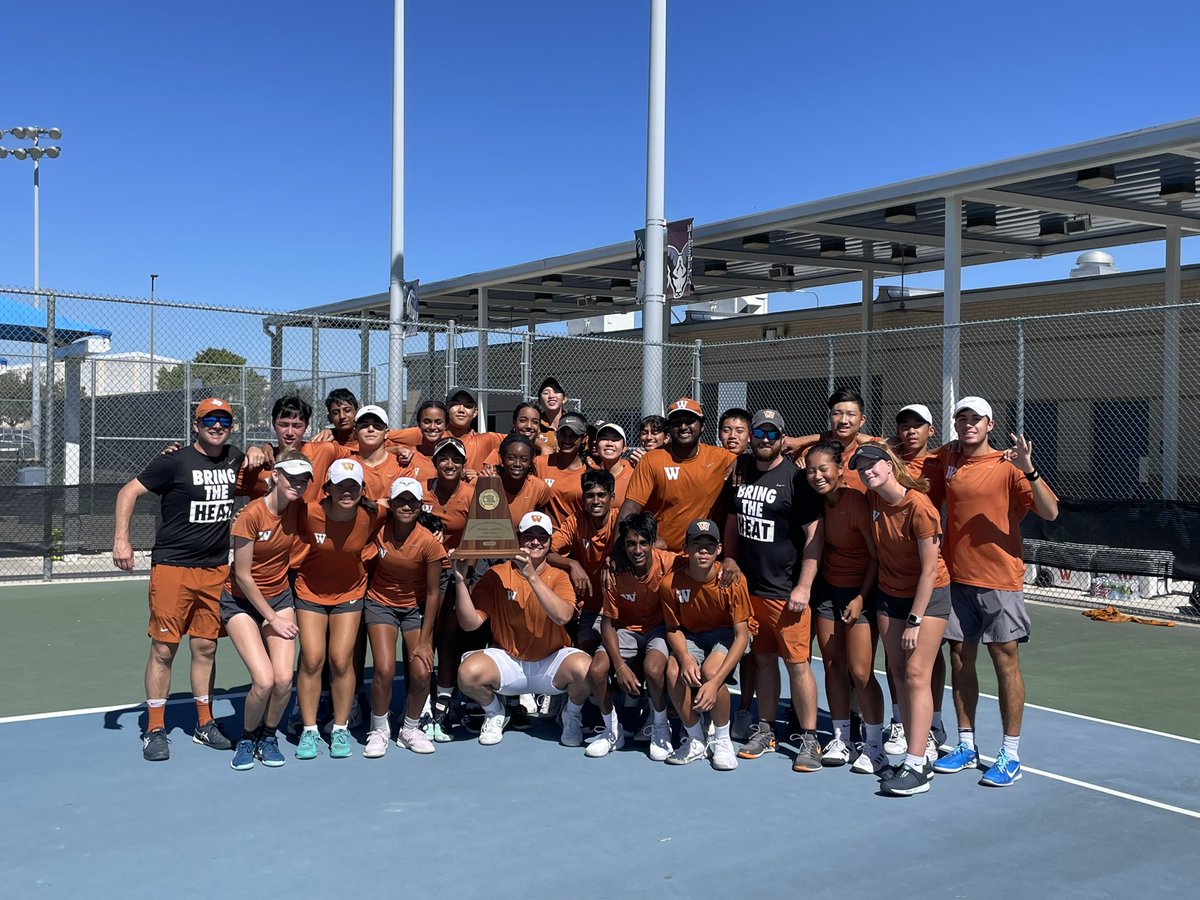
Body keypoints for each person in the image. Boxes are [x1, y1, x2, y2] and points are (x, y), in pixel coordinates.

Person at [113, 397, 251, 761]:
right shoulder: (173, 460)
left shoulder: (235, 457)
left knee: (205, 647)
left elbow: (269, 463)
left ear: (232, 425)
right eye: (209, 419)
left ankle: (204, 724)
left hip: (216, 569)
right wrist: (121, 540)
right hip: (173, 567)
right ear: (196, 424)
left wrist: (260, 449)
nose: (217, 425)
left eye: (224, 419)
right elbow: (128, 492)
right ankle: (155, 728)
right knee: (163, 648)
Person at [931, 397, 1059, 788]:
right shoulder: (949, 457)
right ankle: (966, 745)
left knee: (1005, 662)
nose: (968, 425)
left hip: (1000, 581)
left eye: (975, 419)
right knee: (959, 659)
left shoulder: (1009, 466)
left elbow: (1051, 512)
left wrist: (1030, 470)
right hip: (957, 580)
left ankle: (1010, 753)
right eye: (961, 419)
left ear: (990, 425)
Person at [721, 409, 826, 772]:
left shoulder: (796, 480)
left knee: (798, 665)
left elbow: (815, 536)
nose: (764, 440)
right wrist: (730, 559)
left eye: (772, 434)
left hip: (786, 592)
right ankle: (766, 729)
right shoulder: (741, 471)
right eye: (759, 433)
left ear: (783, 438)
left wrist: (804, 585)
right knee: (763, 661)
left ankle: (810, 738)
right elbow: (733, 521)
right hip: (750, 591)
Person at [850, 441, 951, 796]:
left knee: (915, 673)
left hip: (927, 597)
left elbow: (928, 571)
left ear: (889, 465)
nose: (867, 472)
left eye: (872, 466)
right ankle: (914, 752)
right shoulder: (874, 499)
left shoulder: (919, 507)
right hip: (889, 594)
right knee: (896, 672)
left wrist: (914, 619)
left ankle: (918, 763)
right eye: (861, 468)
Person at [453, 512, 592, 746]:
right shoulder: (495, 574)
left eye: (542, 537)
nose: (535, 542)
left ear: (549, 542)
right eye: (529, 536)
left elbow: (563, 616)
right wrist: (459, 580)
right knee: (467, 674)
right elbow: (470, 623)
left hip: (550, 663)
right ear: (518, 539)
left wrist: (531, 577)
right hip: (510, 662)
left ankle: (572, 715)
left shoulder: (559, 577)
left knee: (587, 670)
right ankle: (495, 712)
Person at [292, 459, 386, 760]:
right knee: (312, 659)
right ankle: (309, 730)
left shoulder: (371, 514)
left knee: (341, 660)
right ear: (327, 488)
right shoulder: (308, 512)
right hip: (310, 593)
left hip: (350, 593)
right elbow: (274, 507)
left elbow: (404, 510)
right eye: (340, 486)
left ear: (362, 490)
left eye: (353, 486)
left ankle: (341, 727)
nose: (347, 492)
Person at [804, 439, 888, 774]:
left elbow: (875, 556)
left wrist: (861, 598)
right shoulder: (815, 504)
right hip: (827, 593)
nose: (817, 475)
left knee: (860, 672)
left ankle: (875, 746)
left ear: (840, 470)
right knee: (833, 665)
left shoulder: (857, 504)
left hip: (860, 595)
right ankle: (841, 738)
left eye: (823, 469)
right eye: (811, 470)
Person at [224, 450, 311, 770]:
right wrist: (272, 618)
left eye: (304, 480)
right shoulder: (250, 515)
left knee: (283, 679)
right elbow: (243, 575)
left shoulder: (298, 507)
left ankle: (268, 735)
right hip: (241, 601)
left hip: (278, 598)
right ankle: (247, 738)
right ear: (275, 476)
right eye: (292, 477)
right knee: (263, 680)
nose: (298, 484)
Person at [363, 477, 447, 758]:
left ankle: (410, 728)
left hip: (415, 609)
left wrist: (425, 639)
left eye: (413, 501)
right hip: (379, 604)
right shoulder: (379, 528)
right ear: (392, 502)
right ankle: (379, 729)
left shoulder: (429, 543)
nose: (407, 506)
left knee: (422, 670)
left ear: (421, 506)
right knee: (385, 669)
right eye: (401, 500)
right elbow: (365, 506)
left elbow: (434, 592)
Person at [661, 519, 752, 771]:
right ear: (685, 548)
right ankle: (695, 739)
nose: (703, 551)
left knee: (712, 672)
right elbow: (673, 628)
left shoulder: (732, 580)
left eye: (709, 546)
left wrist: (713, 683)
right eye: (697, 545)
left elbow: (742, 635)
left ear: (719, 549)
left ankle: (722, 740)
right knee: (673, 670)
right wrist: (685, 657)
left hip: (728, 635)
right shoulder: (670, 584)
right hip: (694, 635)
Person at [882, 402, 947, 755]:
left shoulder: (939, 463)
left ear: (931, 430)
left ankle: (932, 723)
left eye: (917, 425)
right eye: (904, 425)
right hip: (892, 577)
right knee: (898, 663)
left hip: (930, 571)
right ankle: (900, 721)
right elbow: (852, 436)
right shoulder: (885, 460)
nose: (910, 431)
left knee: (927, 662)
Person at [585, 512, 674, 760]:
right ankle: (612, 730)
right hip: (625, 629)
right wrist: (620, 666)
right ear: (622, 545)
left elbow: (702, 561)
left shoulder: (668, 562)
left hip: (657, 629)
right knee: (597, 671)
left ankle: (659, 726)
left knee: (654, 669)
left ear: (653, 542)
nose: (637, 550)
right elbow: (608, 623)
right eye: (630, 544)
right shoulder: (613, 571)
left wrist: (728, 564)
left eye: (643, 543)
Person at [619, 398, 736, 551]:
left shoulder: (722, 458)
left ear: (702, 427)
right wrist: (618, 549)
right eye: (676, 422)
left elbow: (748, 462)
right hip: (661, 555)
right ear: (669, 429)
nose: (683, 426)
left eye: (689, 421)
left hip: (702, 556)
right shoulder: (651, 460)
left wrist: (743, 461)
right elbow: (630, 509)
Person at [422, 436, 476, 741]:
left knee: (448, 639)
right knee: (423, 638)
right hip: (422, 576)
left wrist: (460, 561)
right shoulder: (420, 492)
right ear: (434, 461)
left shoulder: (472, 495)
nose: (449, 464)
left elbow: (481, 537)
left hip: (456, 575)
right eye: (444, 458)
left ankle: (443, 702)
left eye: (456, 459)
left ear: (464, 464)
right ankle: (423, 702)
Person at [548, 469, 619, 654]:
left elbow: (656, 542)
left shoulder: (620, 519)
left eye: (601, 495)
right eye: (590, 496)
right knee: (587, 649)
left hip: (622, 605)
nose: (596, 501)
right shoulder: (576, 521)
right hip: (590, 605)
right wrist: (573, 564)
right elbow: (548, 552)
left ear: (612, 496)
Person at [238, 395, 354, 501]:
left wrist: (334, 431)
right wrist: (252, 448)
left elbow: (363, 455)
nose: (289, 432)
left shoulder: (324, 451)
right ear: (273, 424)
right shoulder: (258, 463)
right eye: (283, 425)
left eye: (297, 426)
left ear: (306, 426)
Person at [785, 388, 877, 492]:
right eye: (837, 413)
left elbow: (885, 444)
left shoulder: (870, 457)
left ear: (862, 420)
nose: (843, 420)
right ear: (830, 417)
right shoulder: (809, 453)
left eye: (851, 414)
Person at [536, 411, 590, 528]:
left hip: (576, 538)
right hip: (545, 538)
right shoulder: (539, 463)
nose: (566, 439)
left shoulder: (590, 471)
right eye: (563, 434)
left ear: (584, 438)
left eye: (573, 435)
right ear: (556, 435)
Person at [496, 434, 553, 529]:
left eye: (524, 460)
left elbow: (544, 527)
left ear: (531, 462)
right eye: (511, 458)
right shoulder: (486, 482)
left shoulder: (540, 488)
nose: (517, 464)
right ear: (502, 458)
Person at [353, 405, 404, 503]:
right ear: (355, 433)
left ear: (386, 433)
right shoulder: (346, 465)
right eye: (364, 425)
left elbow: (404, 505)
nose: (371, 429)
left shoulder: (402, 466)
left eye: (377, 426)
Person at [591, 422, 634, 506]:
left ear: (624, 447)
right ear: (596, 446)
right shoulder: (590, 474)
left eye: (615, 439)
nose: (609, 443)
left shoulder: (634, 474)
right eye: (604, 438)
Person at [537, 376, 567, 452]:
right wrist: (541, 445)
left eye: (556, 392)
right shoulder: (535, 424)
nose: (551, 396)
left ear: (564, 399)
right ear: (539, 401)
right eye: (546, 393)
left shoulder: (574, 423)